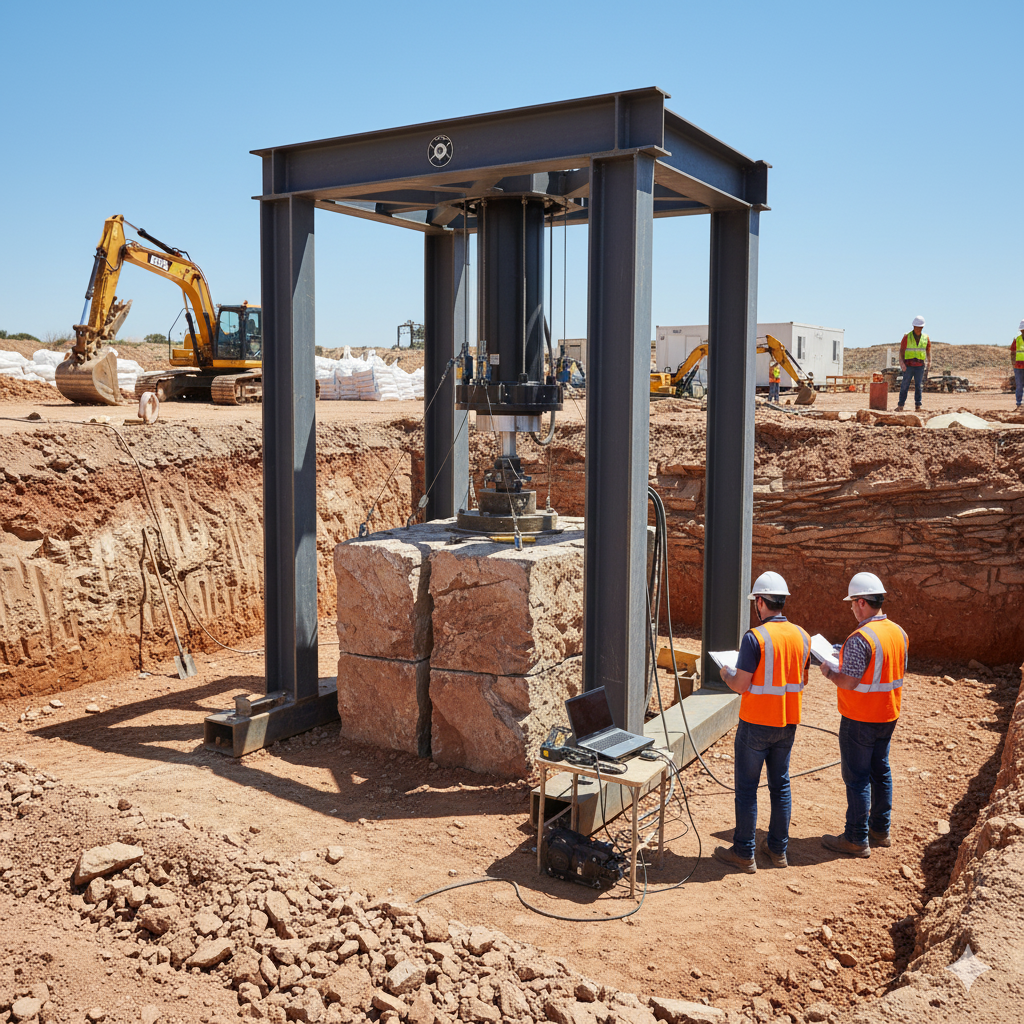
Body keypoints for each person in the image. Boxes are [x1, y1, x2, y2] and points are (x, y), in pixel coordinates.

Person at [713, 572, 810, 873]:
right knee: (780, 786)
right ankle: (778, 850)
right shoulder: (802, 636)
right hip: (787, 723)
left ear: (761, 602)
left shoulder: (755, 638)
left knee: (747, 790)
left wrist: (726, 673)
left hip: (756, 725)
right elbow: (802, 680)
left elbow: (742, 685)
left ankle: (744, 852)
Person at [818, 572, 908, 857]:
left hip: (860, 717)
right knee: (880, 770)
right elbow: (883, 666)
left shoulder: (861, 638)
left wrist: (830, 671)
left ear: (860, 603)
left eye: (852, 603)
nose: (852, 609)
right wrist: (841, 651)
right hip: (887, 713)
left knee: (857, 777)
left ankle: (856, 837)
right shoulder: (897, 632)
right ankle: (880, 830)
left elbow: (850, 680)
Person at [896, 316, 931, 412]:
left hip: (920, 366)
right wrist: (902, 363)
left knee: (919, 385)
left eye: (920, 327)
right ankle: (900, 405)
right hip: (908, 365)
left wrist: (929, 362)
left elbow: (928, 351)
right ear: (913, 326)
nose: (918, 329)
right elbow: (901, 351)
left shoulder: (925, 338)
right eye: (916, 326)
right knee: (905, 385)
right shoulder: (907, 337)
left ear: (922, 327)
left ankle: (918, 405)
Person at [1012, 320, 1024, 410]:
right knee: (1019, 385)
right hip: (1018, 367)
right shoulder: (1017, 339)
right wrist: (1013, 363)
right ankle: (1019, 403)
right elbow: (1013, 352)